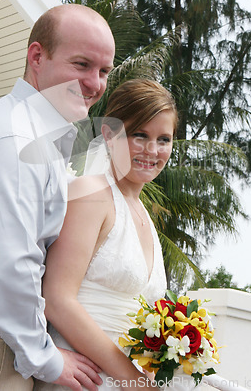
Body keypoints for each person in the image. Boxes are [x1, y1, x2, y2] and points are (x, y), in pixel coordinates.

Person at [0, 4, 115, 391]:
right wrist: (44, 357)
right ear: (37, 56)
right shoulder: (14, 140)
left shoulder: (35, 135)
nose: (94, 83)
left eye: (104, 71)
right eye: (81, 64)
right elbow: (7, 264)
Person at [33, 79, 178, 391]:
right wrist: (133, 380)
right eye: (140, 134)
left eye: (163, 139)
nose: (152, 150)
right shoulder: (91, 193)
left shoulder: (144, 215)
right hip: (84, 378)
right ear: (109, 135)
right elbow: (57, 299)